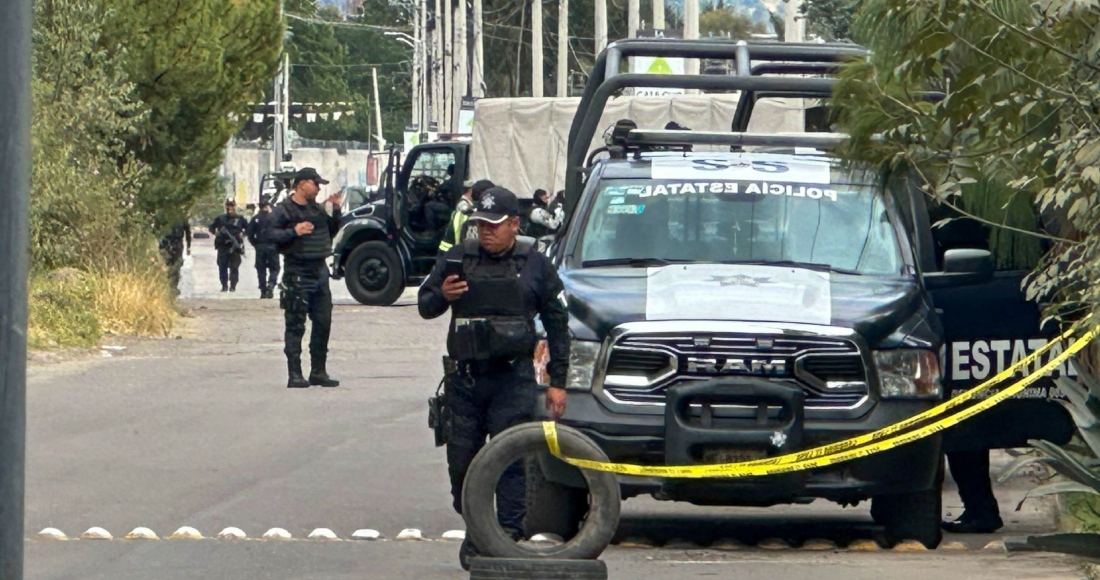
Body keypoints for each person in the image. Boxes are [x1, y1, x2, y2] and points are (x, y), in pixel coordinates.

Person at [418, 187, 570, 570]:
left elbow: (557, 324)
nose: (486, 232)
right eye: (480, 225)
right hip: (465, 382)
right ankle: (478, 530)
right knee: (463, 469)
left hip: (512, 379)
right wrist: (444, 296)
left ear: (514, 225)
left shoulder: (535, 263)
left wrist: (558, 381)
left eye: (494, 225)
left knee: (510, 463)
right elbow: (425, 303)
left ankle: (506, 539)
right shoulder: (458, 257)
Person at [266, 168, 343, 389]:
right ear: (301, 184)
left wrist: (335, 210)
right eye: (315, 184)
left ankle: (318, 371)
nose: (319, 188)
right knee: (295, 325)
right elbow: (267, 235)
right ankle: (295, 374)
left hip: (319, 271)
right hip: (297, 272)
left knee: (323, 323)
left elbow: (330, 232)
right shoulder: (284, 210)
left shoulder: (317, 210)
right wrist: (294, 232)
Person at [437, 179, 494, 254]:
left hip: (463, 261)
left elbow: (446, 245)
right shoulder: (498, 217)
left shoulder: (459, 215)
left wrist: (443, 262)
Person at [209, 200, 248, 292]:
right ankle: (224, 285)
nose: (230, 208)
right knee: (222, 266)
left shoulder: (240, 219)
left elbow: (249, 228)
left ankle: (233, 286)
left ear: (234, 206)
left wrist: (243, 235)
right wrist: (216, 233)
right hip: (223, 246)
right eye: (228, 206)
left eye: (231, 206)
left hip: (235, 247)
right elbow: (211, 227)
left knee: (234, 267)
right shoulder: (220, 218)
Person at [247, 195, 281, 299]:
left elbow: (249, 234)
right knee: (274, 268)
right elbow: (281, 232)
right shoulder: (275, 218)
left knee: (260, 269)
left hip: (260, 247)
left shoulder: (255, 219)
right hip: (273, 246)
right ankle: (271, 285)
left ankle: (262, 289)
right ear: (268, 206)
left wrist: (255, 244)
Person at [158, 219, 191, 296]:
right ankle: (170, 285)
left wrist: (188, 246)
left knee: (173, 265)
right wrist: (188, 246)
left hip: (171, 244)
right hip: (169, 244)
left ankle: (172, 285)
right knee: (172, 265)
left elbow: (187, 232)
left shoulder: (163, 213)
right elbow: (188, 232)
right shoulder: (180, 216)